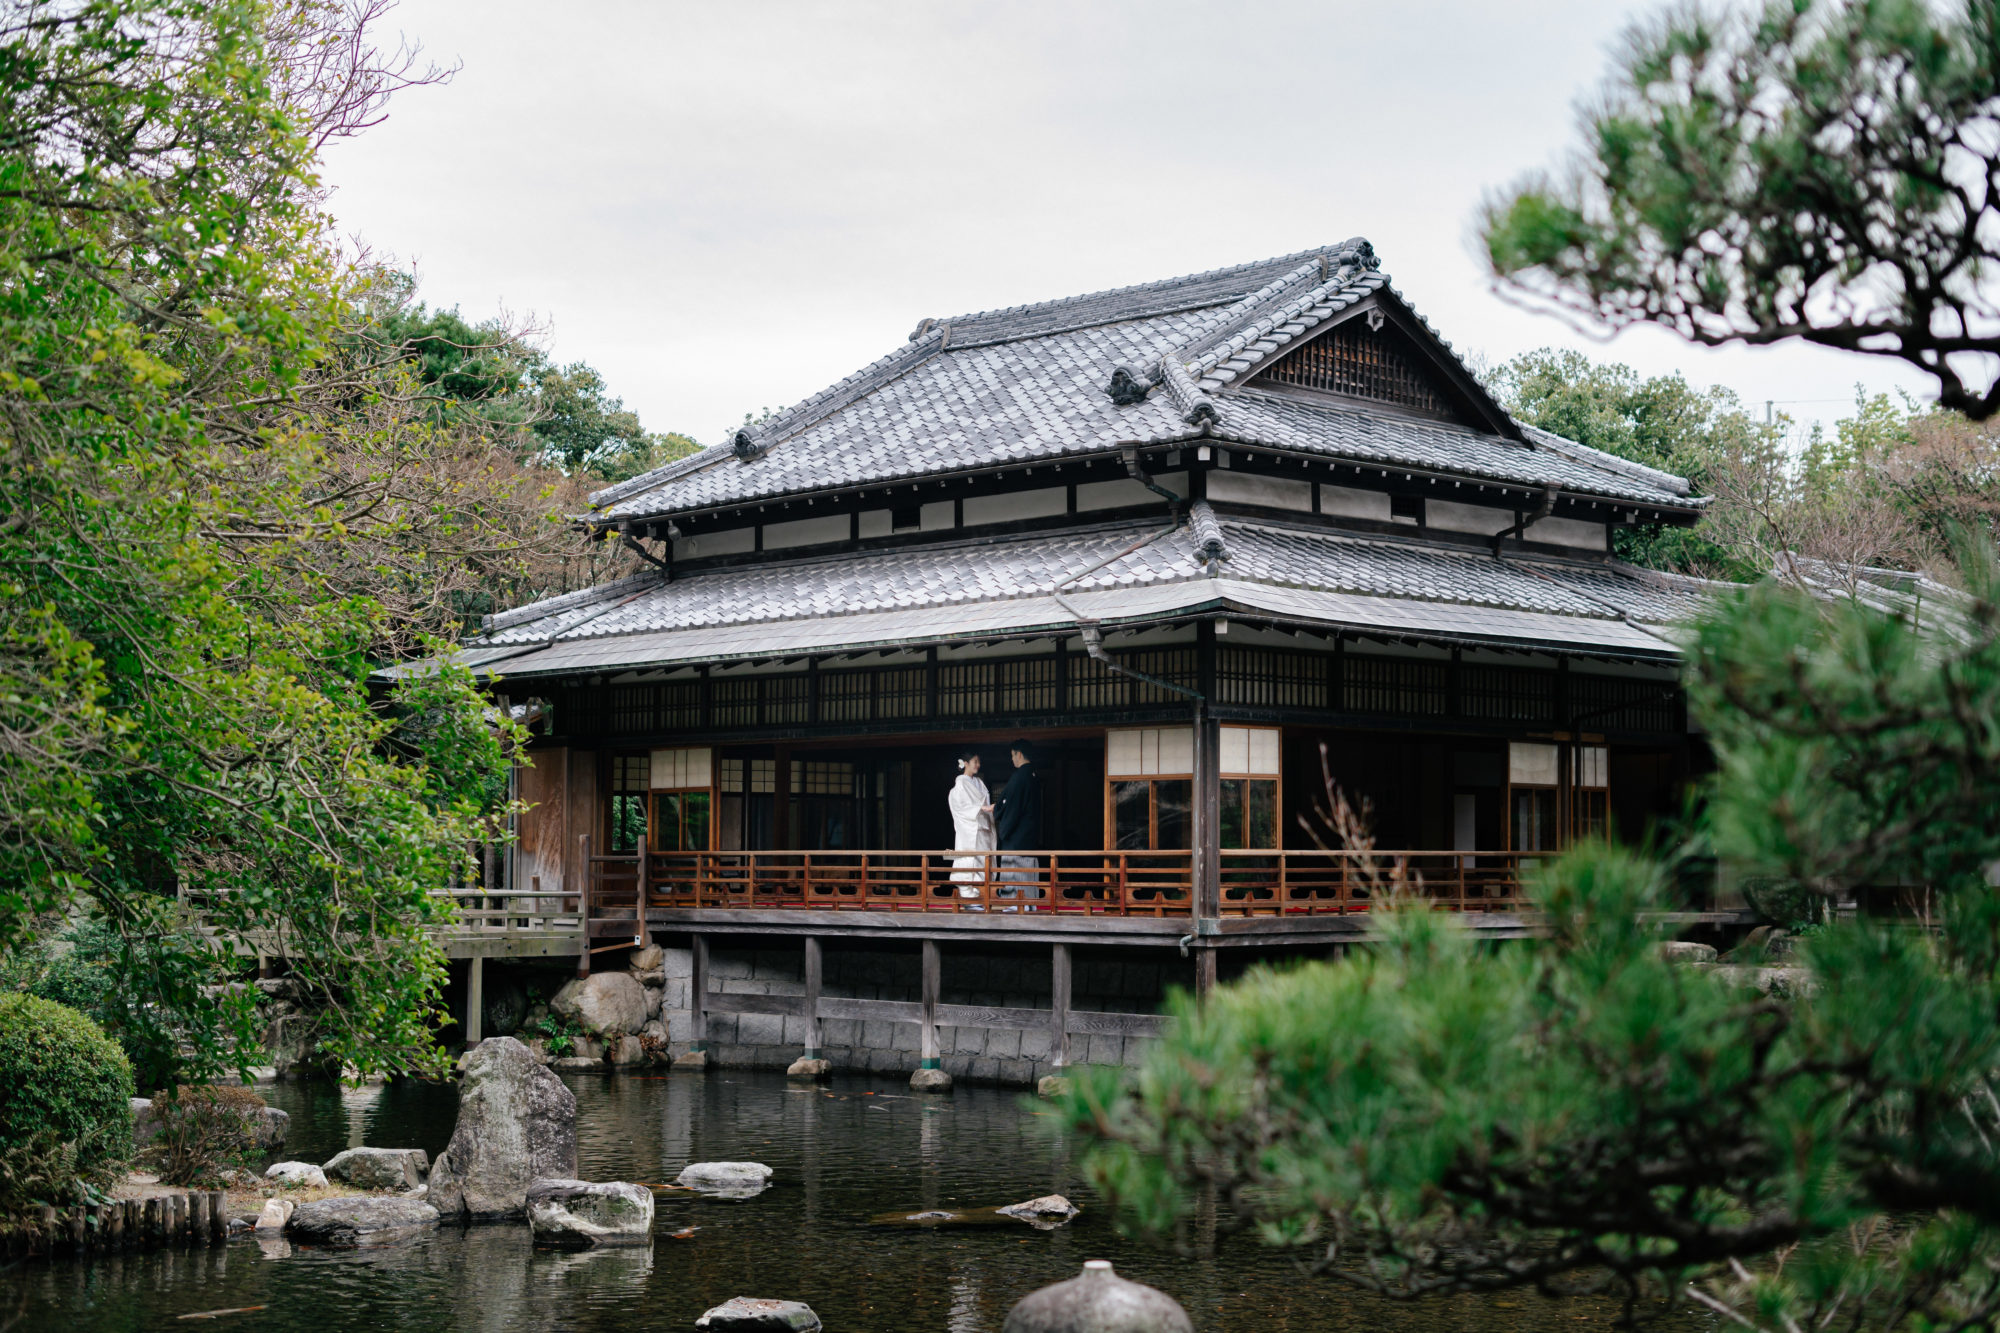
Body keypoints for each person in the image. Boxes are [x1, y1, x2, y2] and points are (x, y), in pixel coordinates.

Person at [991, 740, 1043, 901]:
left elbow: (1011, 806)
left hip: (1017, 840)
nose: (1012, 759)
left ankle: (1018, 904)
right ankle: (1029, 904)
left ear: (1019, 754)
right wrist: (999, 807)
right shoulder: (1033, 775)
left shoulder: (1019, 777)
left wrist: (1002, 829)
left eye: (1012, 755)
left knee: (1016, 876)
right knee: (1029, 877)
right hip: (1029, 838)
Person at [947, 750, 994, 900]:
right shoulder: (960, 784)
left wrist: (985, 810)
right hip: (969, 828)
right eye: (975, 762)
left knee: (983, 860)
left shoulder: (979, 782)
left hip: (982, 828)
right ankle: (968, 896)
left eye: (979, 762)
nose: (978, 765)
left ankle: (982, 896)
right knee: (969, 859)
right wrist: (978, 809)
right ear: (966, 764)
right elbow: (960, 807)